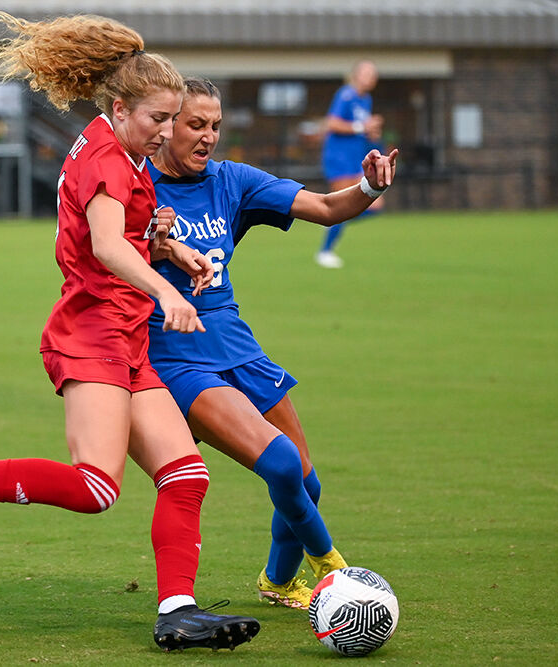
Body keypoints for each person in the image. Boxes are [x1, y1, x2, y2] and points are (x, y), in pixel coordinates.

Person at [0, 13, 260, 652]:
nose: (167, 131)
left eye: (173, 119)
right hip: (94, 333)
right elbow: (105, 246)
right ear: (120, 106)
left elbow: (121, 234)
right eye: (158, 119)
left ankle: (177, 612)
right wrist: (164, 289)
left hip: (125, 333)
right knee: (96, 488)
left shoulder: (116, 146)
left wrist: (167, 250)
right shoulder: (109, 157)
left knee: (185, 473)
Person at [147, 78, 397, 609]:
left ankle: (278, 582)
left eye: (215, 126)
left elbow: (327, 207)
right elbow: (95, 254)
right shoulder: (133, 185)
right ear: (166, 125)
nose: (208, 137)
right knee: (282, 465)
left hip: (240, 347)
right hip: (176, 355)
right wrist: (154, 243)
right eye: (196, 125)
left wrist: (370, 187)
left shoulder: (232, 180)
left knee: (308, 485)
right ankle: (337, 572)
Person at [316, 60, 385, 269]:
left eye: (373, 74)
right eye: (366, 72)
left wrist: (371, 133)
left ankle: (333, 222)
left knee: (375, 205)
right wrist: (362, 126)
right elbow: (333, 123)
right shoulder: (346, 95)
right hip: (339, 159)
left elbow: (361, 131)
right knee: (343, 204)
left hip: (356, 159)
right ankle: (325, 251)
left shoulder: (366, 100)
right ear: (356, 75)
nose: (370, 77)